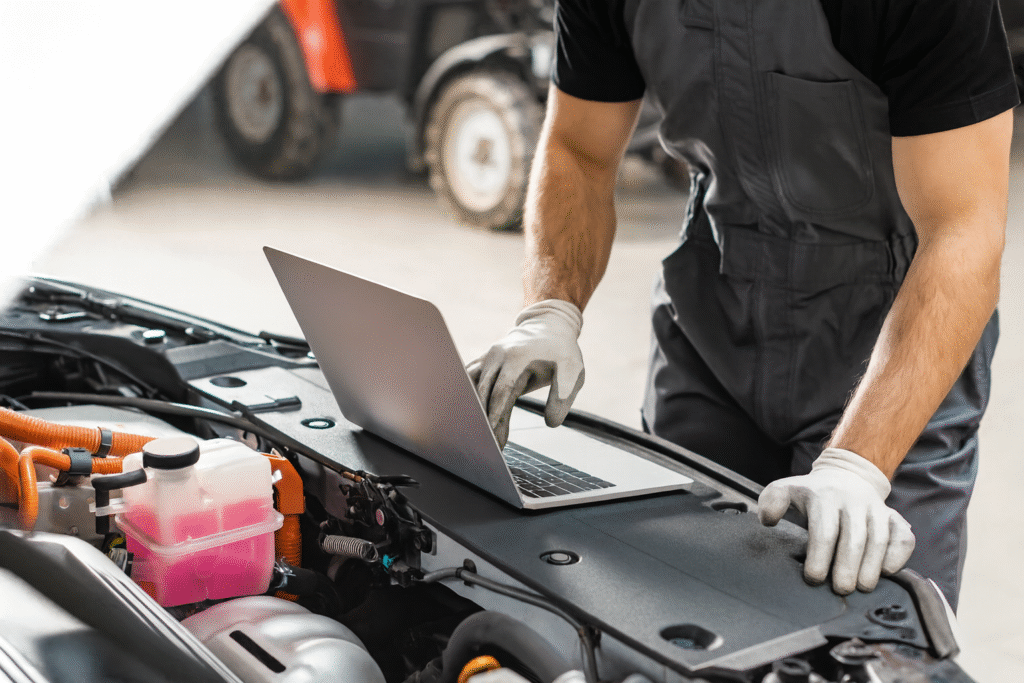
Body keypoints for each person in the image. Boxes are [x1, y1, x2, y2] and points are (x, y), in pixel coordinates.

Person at [467, 0, 1018, 610]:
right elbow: (578, 149)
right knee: (667, 604)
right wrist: (549, 312)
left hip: (892, 325)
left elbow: (962, 230)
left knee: (868, 634)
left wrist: (858, 466)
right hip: (713, 314)